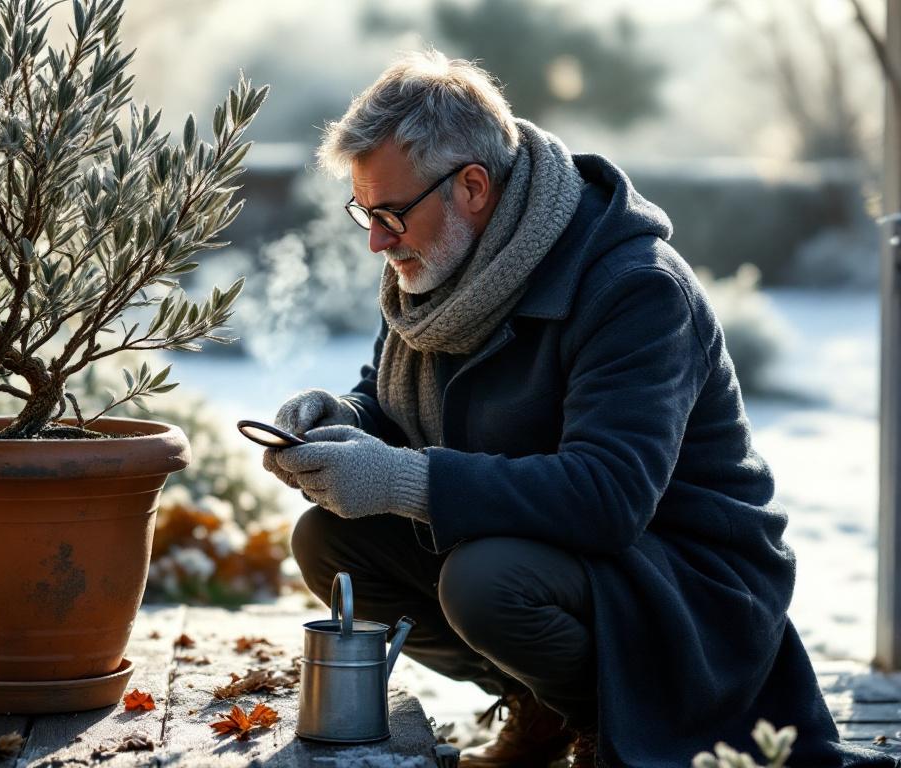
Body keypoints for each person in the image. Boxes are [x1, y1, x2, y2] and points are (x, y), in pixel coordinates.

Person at [263, 50, 898, 767]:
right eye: (365, 213)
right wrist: (340, 419)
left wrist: (401, 480)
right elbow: (392, 407)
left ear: (472, 187)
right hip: (557, 554)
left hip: (683, 579)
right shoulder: (441, 270)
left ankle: (615, 728)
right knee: (330, 542)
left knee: (484, 582)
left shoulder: (635, 288)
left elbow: (609, 497)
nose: (377, 240)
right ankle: (546, 703)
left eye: (391, 214)